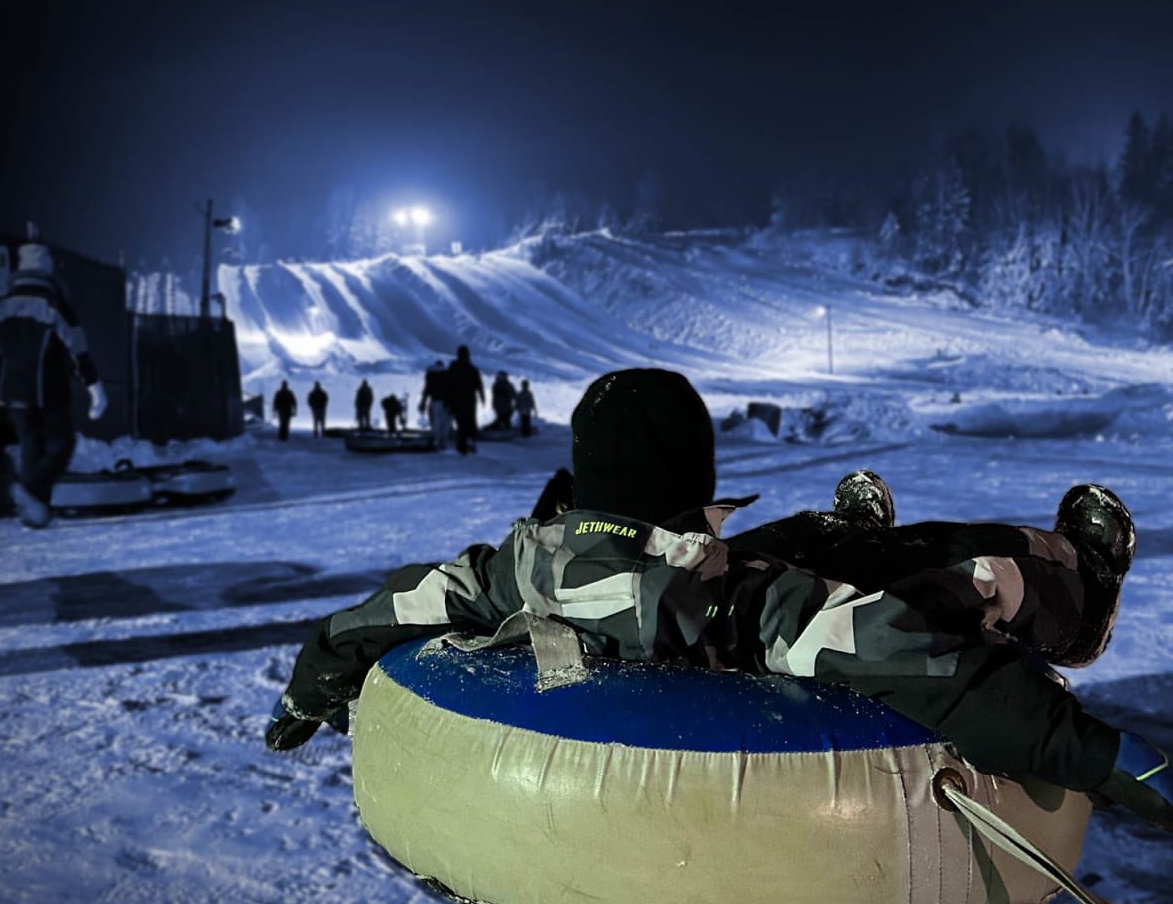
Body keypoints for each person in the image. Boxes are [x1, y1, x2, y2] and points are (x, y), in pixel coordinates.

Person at [267, 368, 1173, 832]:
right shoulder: (736, 601)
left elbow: (391, 608)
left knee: (781, 544)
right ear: (686, 483)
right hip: (758, 633)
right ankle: (1074, 585)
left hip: (640, 576)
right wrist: (1100, 755)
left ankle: (835, 530)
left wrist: (312, 682)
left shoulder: (508, 569)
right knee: (942, 578)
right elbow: (913, 659)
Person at [0, 243, 107, 527]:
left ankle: (35, 514)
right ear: (47, 268)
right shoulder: (54, 303)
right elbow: (77, 349)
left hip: (11, 390)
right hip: (49, 388)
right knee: (62, 443)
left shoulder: (1, 305)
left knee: (31, 444)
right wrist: (94, 388)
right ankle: (32, 492)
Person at [446, 344, 484, 455]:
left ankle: (462, 445)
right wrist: (482, 397)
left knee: (461, 422)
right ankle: (468, 443)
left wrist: (447, 400)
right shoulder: (472, 369)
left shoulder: (453, 368)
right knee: (469, 422)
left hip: (457, 400)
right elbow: (479, 385)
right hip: (469, 400)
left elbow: (447, 385)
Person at [420, 359, 451, 450]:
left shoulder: (431, 375)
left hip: (435, 401)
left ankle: (437, 441)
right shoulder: (448, 374)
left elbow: (426, 390)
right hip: (448, 402)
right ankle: (443, 442)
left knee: (436, 422)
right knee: (445, 423)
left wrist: (423, 403)